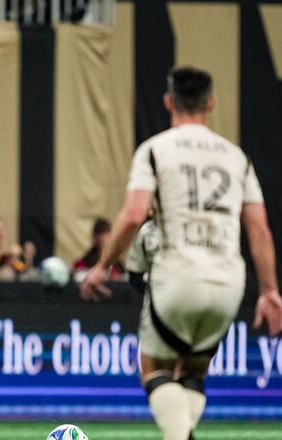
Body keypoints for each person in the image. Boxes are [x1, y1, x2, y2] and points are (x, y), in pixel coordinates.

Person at [80, 66, 282, 440]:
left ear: (169, 101)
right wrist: (270, 292)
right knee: (192, 371)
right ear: (211, 103)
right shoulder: (237, 157)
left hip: (178, 276)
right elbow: (259, 228)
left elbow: (134, 215)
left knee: (153, 367)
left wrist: (101, 266)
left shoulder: (155, 150)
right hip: (228, 282)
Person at [72, 218, 124, 283]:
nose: (101, 238)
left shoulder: (117, 264)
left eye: (105, 234)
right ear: (94, 238)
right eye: (99, 235)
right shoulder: (82, 263)